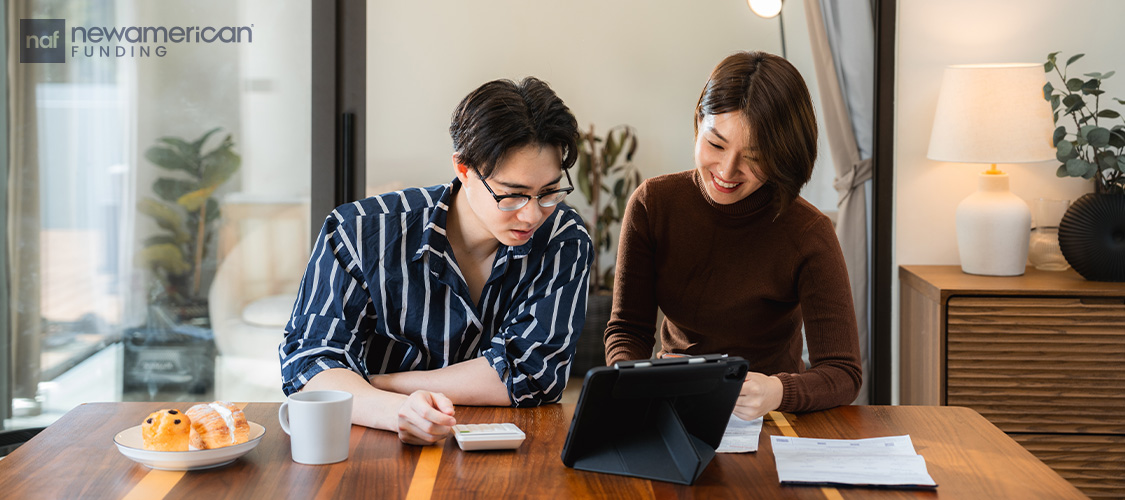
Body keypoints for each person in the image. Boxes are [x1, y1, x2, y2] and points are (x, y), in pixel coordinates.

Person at [280, 77, 592, 444]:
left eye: (549, 192)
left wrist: (380, 384)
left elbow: (533, 372)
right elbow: (311, 361)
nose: (532, 215)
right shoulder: (359, 232)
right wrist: (395, 411)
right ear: (463, 168)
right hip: (375, 440)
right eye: (513, 195)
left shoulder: (562, 239)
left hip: (507, 448)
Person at [604, 51, 861, 420]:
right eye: (716, 144)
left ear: (783, 156)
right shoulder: (653, 205)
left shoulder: (808, 233)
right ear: (698, 124)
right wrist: (634, 381)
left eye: (754, 156)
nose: (726, 170)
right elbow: (628, 330)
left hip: (771, 416)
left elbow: (843, 372)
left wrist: (776, 391)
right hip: (674, 407)